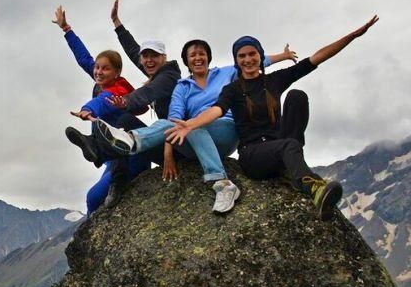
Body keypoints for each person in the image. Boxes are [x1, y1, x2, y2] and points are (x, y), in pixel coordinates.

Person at [165, 15, 379, 220]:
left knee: (297, 96)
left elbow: (315, 59)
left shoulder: (275, 80)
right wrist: (191, 125)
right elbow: (216, 111)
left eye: (252, 54)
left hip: (279, 143)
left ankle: (291, 166)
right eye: (242, 56)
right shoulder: (232, 89)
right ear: (237, 62)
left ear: (260, 56)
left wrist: (352, 36)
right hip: (254, 155)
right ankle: (314, 187)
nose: (248, 60)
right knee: (288, 147)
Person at [87, 37, 296, 213]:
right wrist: (168, 153)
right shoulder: (181, 87)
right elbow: (173, 120)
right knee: (179, 124)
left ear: (208, 57)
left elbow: (258, 62)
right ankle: (130, 140)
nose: (197, 57)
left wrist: (284, 56)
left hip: (225, 131)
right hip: (193, 139)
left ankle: (221, 183)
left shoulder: (225, 73)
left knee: (192, 125)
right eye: (192, 55)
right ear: (187, 61)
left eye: (201, 53)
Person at [53, 5, 152, 215]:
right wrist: (67, 30)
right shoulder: (103, 79)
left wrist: (86, 109)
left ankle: (95, 147)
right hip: (115, 158)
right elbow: (83, 58)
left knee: (94, 197)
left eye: (105, 68)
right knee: (92, 197)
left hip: (132, 156)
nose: (98, 71)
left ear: (117, 73)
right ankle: (96, 147)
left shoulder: (117, 90)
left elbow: (103, 101)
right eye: (97, 67)